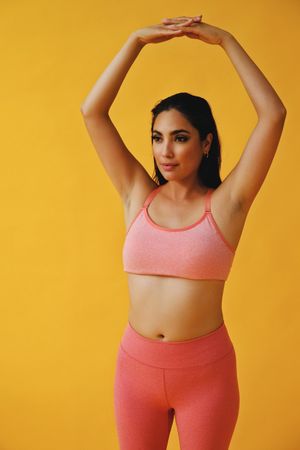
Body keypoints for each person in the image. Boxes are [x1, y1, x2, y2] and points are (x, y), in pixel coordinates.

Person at [80, 14, 287, 450]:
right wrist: (135, 41)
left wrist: (227, 41)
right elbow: (92, 111)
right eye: (157, 138)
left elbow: (273, 115)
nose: (165, 151)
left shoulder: (227, 204)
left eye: (179, 137)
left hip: (205, 376)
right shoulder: (136, 193)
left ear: (206, 142)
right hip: (134, 371)